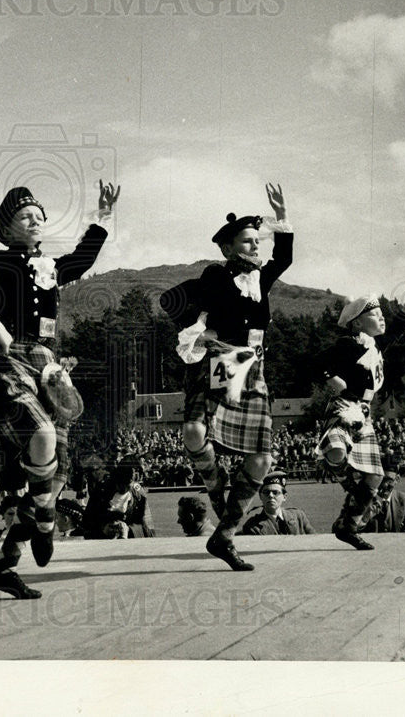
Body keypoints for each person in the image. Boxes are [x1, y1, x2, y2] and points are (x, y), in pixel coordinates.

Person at [0, 181, 119, 598]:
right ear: (7, 228)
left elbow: (82, 257)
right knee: (42, 436)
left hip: (48, 364)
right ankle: (44, 522)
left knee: (57, 473)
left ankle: (5, 564)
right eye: (26, 217)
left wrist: (103, 217)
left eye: (40, 216)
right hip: (8, 360)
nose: (36, 221)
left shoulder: (51, 268)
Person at [159, 184, 291, 570]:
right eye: (247, 242)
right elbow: (170, 300)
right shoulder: (216, 275)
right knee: (195, 434)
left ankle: (225, 534)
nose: (255, 247)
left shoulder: (260, 281)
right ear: (228, 247)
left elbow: (283, 256)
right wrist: (202, 332)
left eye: (256, 241)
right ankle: (217, 487)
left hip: (254, 367)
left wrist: (281, 217)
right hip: (219, 363)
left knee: (262, 460)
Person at [315, 277, 405, 550]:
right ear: (358, 323)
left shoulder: (374, 346)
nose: (382, 318)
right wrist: (330, 378)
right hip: (342, 408)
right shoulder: (348, 343)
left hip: (364, 412)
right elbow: (316, 361)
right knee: (337, 452)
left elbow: (396, 330)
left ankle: (347, 526)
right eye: (375, 315)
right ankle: (337, 469)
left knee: (375, 477)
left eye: (382, 313)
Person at [81, 463, 155, 539]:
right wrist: (103, 529)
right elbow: (87, 523)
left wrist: (129, 530)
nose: (124, 488)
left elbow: (147, 528)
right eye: (120, 484)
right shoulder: (100, 493)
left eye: (127, 484)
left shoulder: (138, 494)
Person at [239, 471, 314, 535]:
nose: (271, 495)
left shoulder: (298, 516)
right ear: (260, 496)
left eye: (275, 492)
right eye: (266, 492)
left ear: (284, 497)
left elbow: (315, 539)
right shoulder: (253, 526)